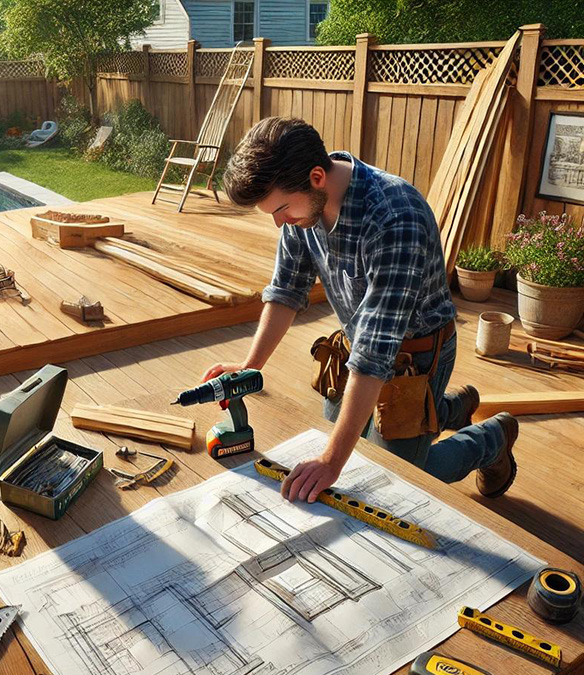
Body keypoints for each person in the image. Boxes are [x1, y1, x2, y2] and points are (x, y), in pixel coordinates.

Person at [203, 117, 518, 504]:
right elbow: (286, 290)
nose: (278, 222)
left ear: (317, 177)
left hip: (416, 354)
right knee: (343, 445)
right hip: (356, 343)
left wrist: (331, 462)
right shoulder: (300, 206)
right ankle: (448, 409)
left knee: (390, 482)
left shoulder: (394, 216)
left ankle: (492, 438)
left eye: (281, 209)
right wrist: (250, 365)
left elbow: (375, 354)